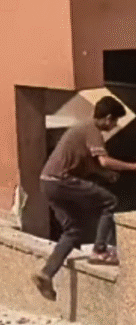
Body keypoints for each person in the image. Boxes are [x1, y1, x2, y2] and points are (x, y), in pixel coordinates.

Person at [32, 96, 136, 300]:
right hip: (61, 181)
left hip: (48, 182)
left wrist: (105, 175)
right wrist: (132, 167)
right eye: (114, 121)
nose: (114, 126)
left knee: (74, 231)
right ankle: (100, 250)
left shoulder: (82, 129)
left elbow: (90, 164)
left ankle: (46, 274)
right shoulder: (92, 130)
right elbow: (104, 161)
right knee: (109, 202)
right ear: (108, 118)